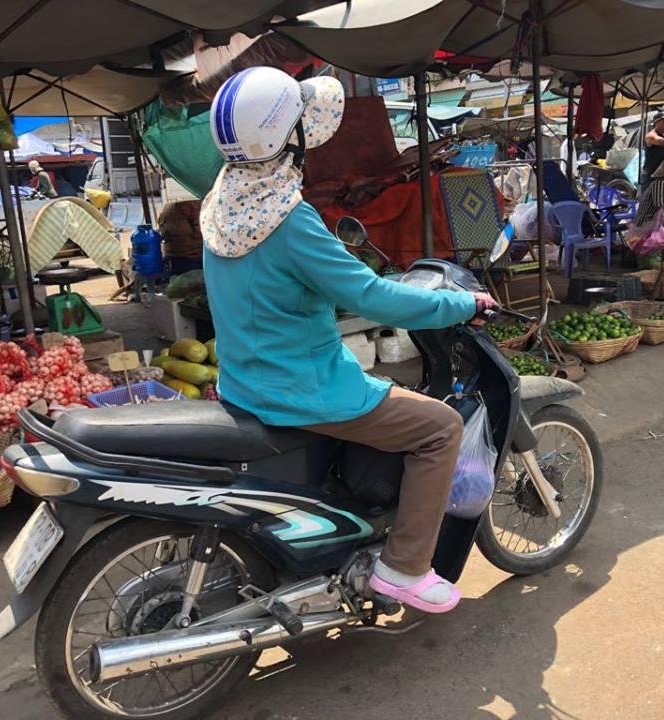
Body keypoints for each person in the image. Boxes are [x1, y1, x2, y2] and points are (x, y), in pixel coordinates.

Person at [201, 67, 496, 614]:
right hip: (303, 390)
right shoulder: (290, 222)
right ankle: (404, 568)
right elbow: (373, 298)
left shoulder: (220, 205)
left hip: (245, 383)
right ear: (287, 139)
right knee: (440, 427)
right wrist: (462, 303)